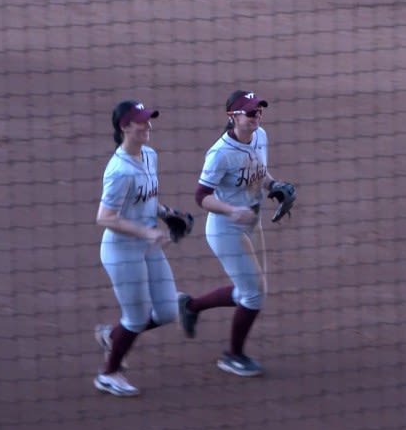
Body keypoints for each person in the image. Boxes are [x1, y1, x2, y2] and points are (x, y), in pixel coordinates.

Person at [177, 89, 295, 377]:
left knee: (251, 289)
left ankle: (191, 306)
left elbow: (259, 170)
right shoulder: (220, 154)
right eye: (251, 112)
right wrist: (231, 211)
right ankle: (233, 356)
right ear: (232, 116)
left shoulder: (261, 136)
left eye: (259, 111)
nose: (257, 116)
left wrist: (274, 186)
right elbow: (201, 196)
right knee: (254, 295)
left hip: (252, 223)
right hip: (226, 228)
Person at [92, 99, 191, 396]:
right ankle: (109, 373)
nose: (148, 125)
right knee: (135, 317)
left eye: (149, 119)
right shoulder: (119, 170)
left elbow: (146, 200)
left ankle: (113, 335)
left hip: (147, 247)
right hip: (122, 252)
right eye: (141, 121)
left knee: (167, 311)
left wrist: (167, 213)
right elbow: (104, 218)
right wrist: (145, 233)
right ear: (125, 127)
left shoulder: (149, 155)